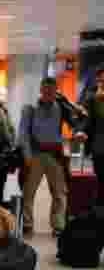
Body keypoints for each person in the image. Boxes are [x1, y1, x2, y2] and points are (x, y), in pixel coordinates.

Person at [17, 76, 82, 237]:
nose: (49, 94)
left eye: (52, 91)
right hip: (35, 154)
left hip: (55, 154)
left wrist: (79, 131)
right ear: (41, 90)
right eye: (46, 90)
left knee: (60, 192)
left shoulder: (61, 107)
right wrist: (27, 155)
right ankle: (27, 224)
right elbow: (23, 133)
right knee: (28, 192)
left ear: (56, 91)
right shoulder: (29, 108)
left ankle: (58, 225)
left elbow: (76, 123)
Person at [73, 66, 104, 204]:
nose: (101, 82)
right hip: (99, 147)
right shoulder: (91, 97)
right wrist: (80, 131)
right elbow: (84, 118)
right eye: (100, 80)